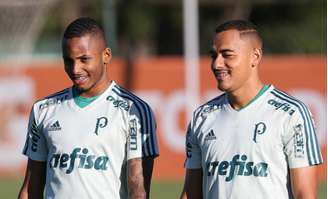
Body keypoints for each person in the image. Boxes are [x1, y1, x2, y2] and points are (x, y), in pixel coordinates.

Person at [18, 17, 159, 199]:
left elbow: (138, 189)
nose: (76, 69)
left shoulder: (134, 111)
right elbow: (30, 189)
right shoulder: (43, 110)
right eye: (68, 61)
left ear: (106, 55)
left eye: (84, 59)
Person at [180, 20, 322, 199]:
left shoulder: (292, 114)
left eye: (227, 55)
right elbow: (191, 194)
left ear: (255, 56)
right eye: (213, 55)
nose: (217, 64)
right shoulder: (202, 117)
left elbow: (305, 194)